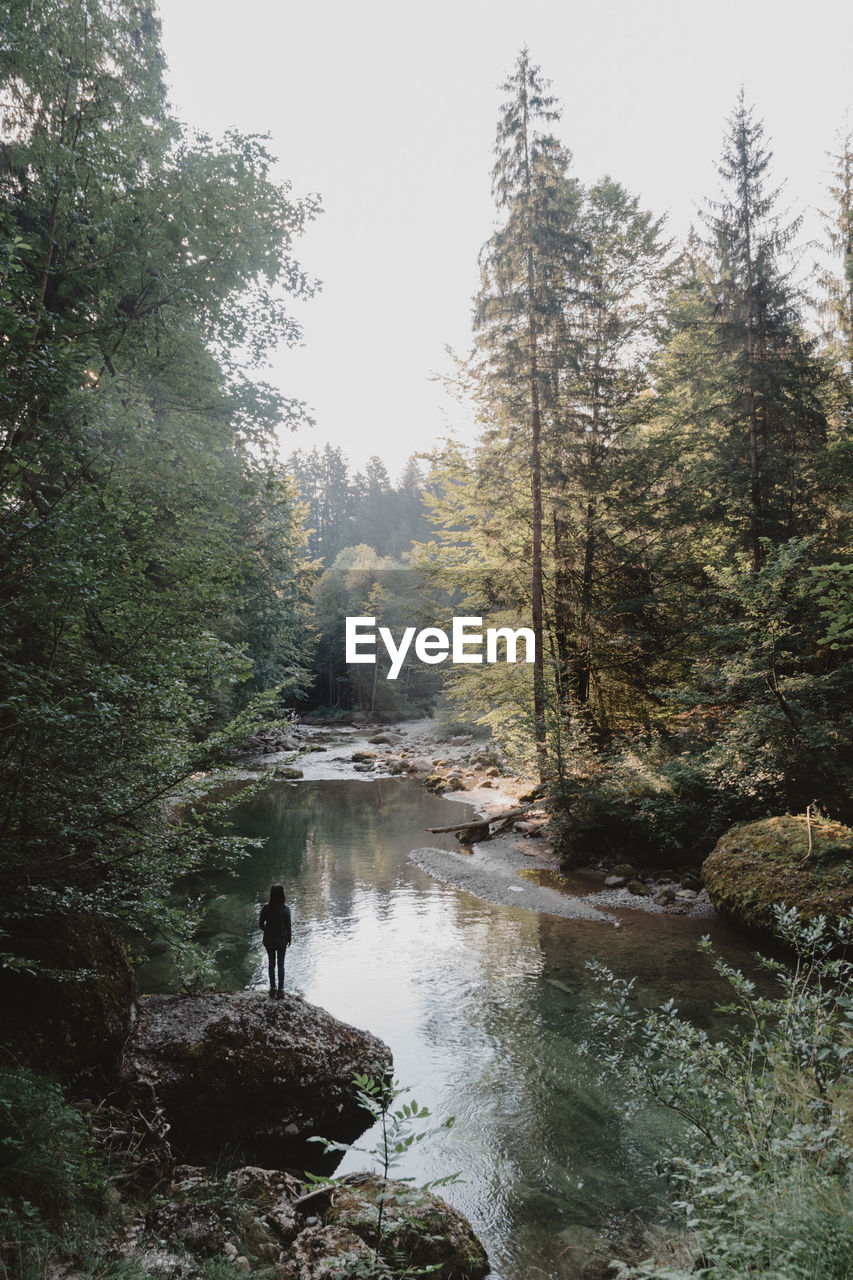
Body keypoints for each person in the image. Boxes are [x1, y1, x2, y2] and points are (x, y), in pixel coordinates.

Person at [258, 884, 291, 998]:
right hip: (281, 940)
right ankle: (281, 990)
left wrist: (267, 930)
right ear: (282, 894)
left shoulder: (266, 908)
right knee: (281, 964)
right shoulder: (286, 909)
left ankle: (272, 988)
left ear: (271, 894)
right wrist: (289, 939)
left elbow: (261, 924)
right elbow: (288, 927)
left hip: (269, 940)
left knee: (271, 964)